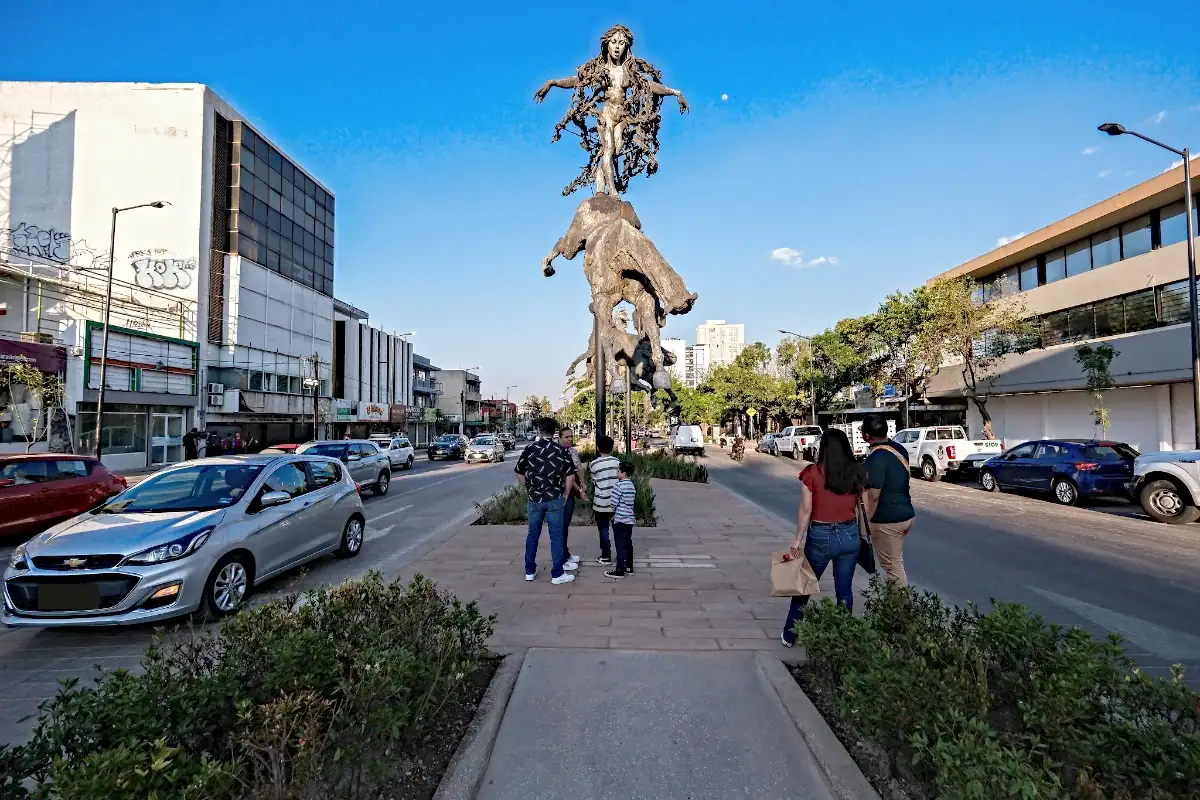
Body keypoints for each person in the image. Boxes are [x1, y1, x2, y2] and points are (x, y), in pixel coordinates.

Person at [781, 427, 867, 648]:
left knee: (804, 587)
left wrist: (797, 540)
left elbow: (806, 510)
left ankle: (790, 634)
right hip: (849, 534)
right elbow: (861, 507)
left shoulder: (812, 473)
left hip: (820, 535)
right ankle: (843, 637)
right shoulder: (858, 472)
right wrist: (862, 535)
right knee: (844, 590)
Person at [514, 416, 578, 585]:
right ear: (554, 431)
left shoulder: (530, 448)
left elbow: (519, 471)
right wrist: (565, 493)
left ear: (539, 431)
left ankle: (530, 571)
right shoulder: (561, 450)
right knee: (556, 536)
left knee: (532, 535)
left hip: (534, 499)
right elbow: (570, 474)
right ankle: (557, 574)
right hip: (554, 499)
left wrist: (528, 487)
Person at [861, 415, 916, 587]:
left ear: (866, 436)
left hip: (887, 520)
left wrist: (866, 524)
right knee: (895, 563)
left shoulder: (875, 459)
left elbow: (873, 496)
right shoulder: (899, 449)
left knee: (893, 567)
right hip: (906, 514)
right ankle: (895, 605)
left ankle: (900, 611)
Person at [588, 434, 621, 565]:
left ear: (598, 448)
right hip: (616, 503)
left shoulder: (594, 464)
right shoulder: (618, 462)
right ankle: (620, 555)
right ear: (612, 448)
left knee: (603, 530)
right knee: (618, 529)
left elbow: (594, 481)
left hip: (600, 503)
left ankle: (606, 556)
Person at [558, 427, 586, 570]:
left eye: (571, 436)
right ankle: (561, 558)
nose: (569, 439)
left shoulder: (573, 451)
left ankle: (565, 554)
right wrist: (580, 490)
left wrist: (583, 482)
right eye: (566, 437)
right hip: (562, 493)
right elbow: (566, 476)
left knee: (565, 525)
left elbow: (579, 468)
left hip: (572, 492)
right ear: (559, 438)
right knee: (561, 527)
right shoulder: (558, 452)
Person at [606, 460, 637, 578]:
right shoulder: (631, 485)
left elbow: (613, 503)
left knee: (620, 545)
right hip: (629, 519)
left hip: (619, 519)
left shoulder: (618, 486)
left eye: (618, 471)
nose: (617, 472)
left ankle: (620, 569)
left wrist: (614, 511)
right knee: (628, 542)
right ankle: (629, 566)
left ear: (623, 473)